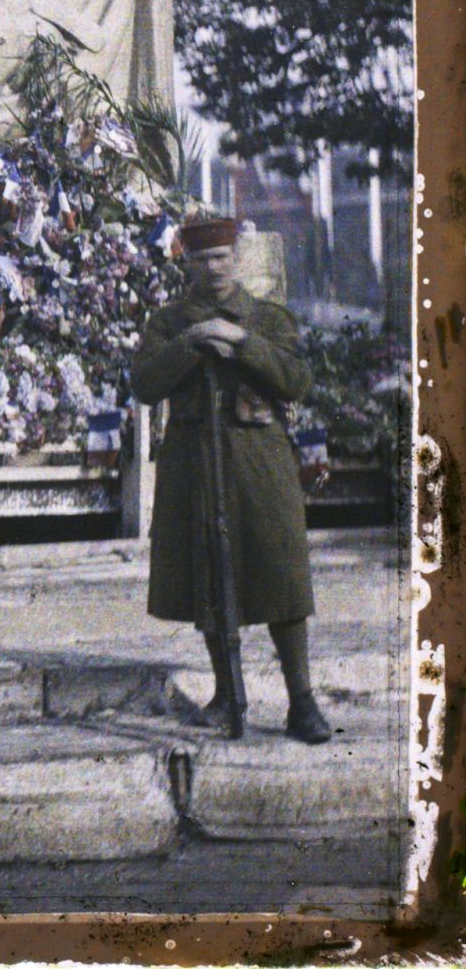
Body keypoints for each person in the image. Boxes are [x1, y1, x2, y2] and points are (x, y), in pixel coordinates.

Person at [131, 216, 332, 744]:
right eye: (201, 260)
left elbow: (296, 380)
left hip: (259, 463)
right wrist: (192, 342)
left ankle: (302, 701)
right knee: (207, 573)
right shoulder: (170, 321)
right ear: (188, 264)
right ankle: (226, 693)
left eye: (221, 258)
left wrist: (241, 341)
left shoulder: (266, 318)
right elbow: (145, 384)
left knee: (281, 573)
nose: (213, 268)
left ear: (237, 260)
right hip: (193, 463)